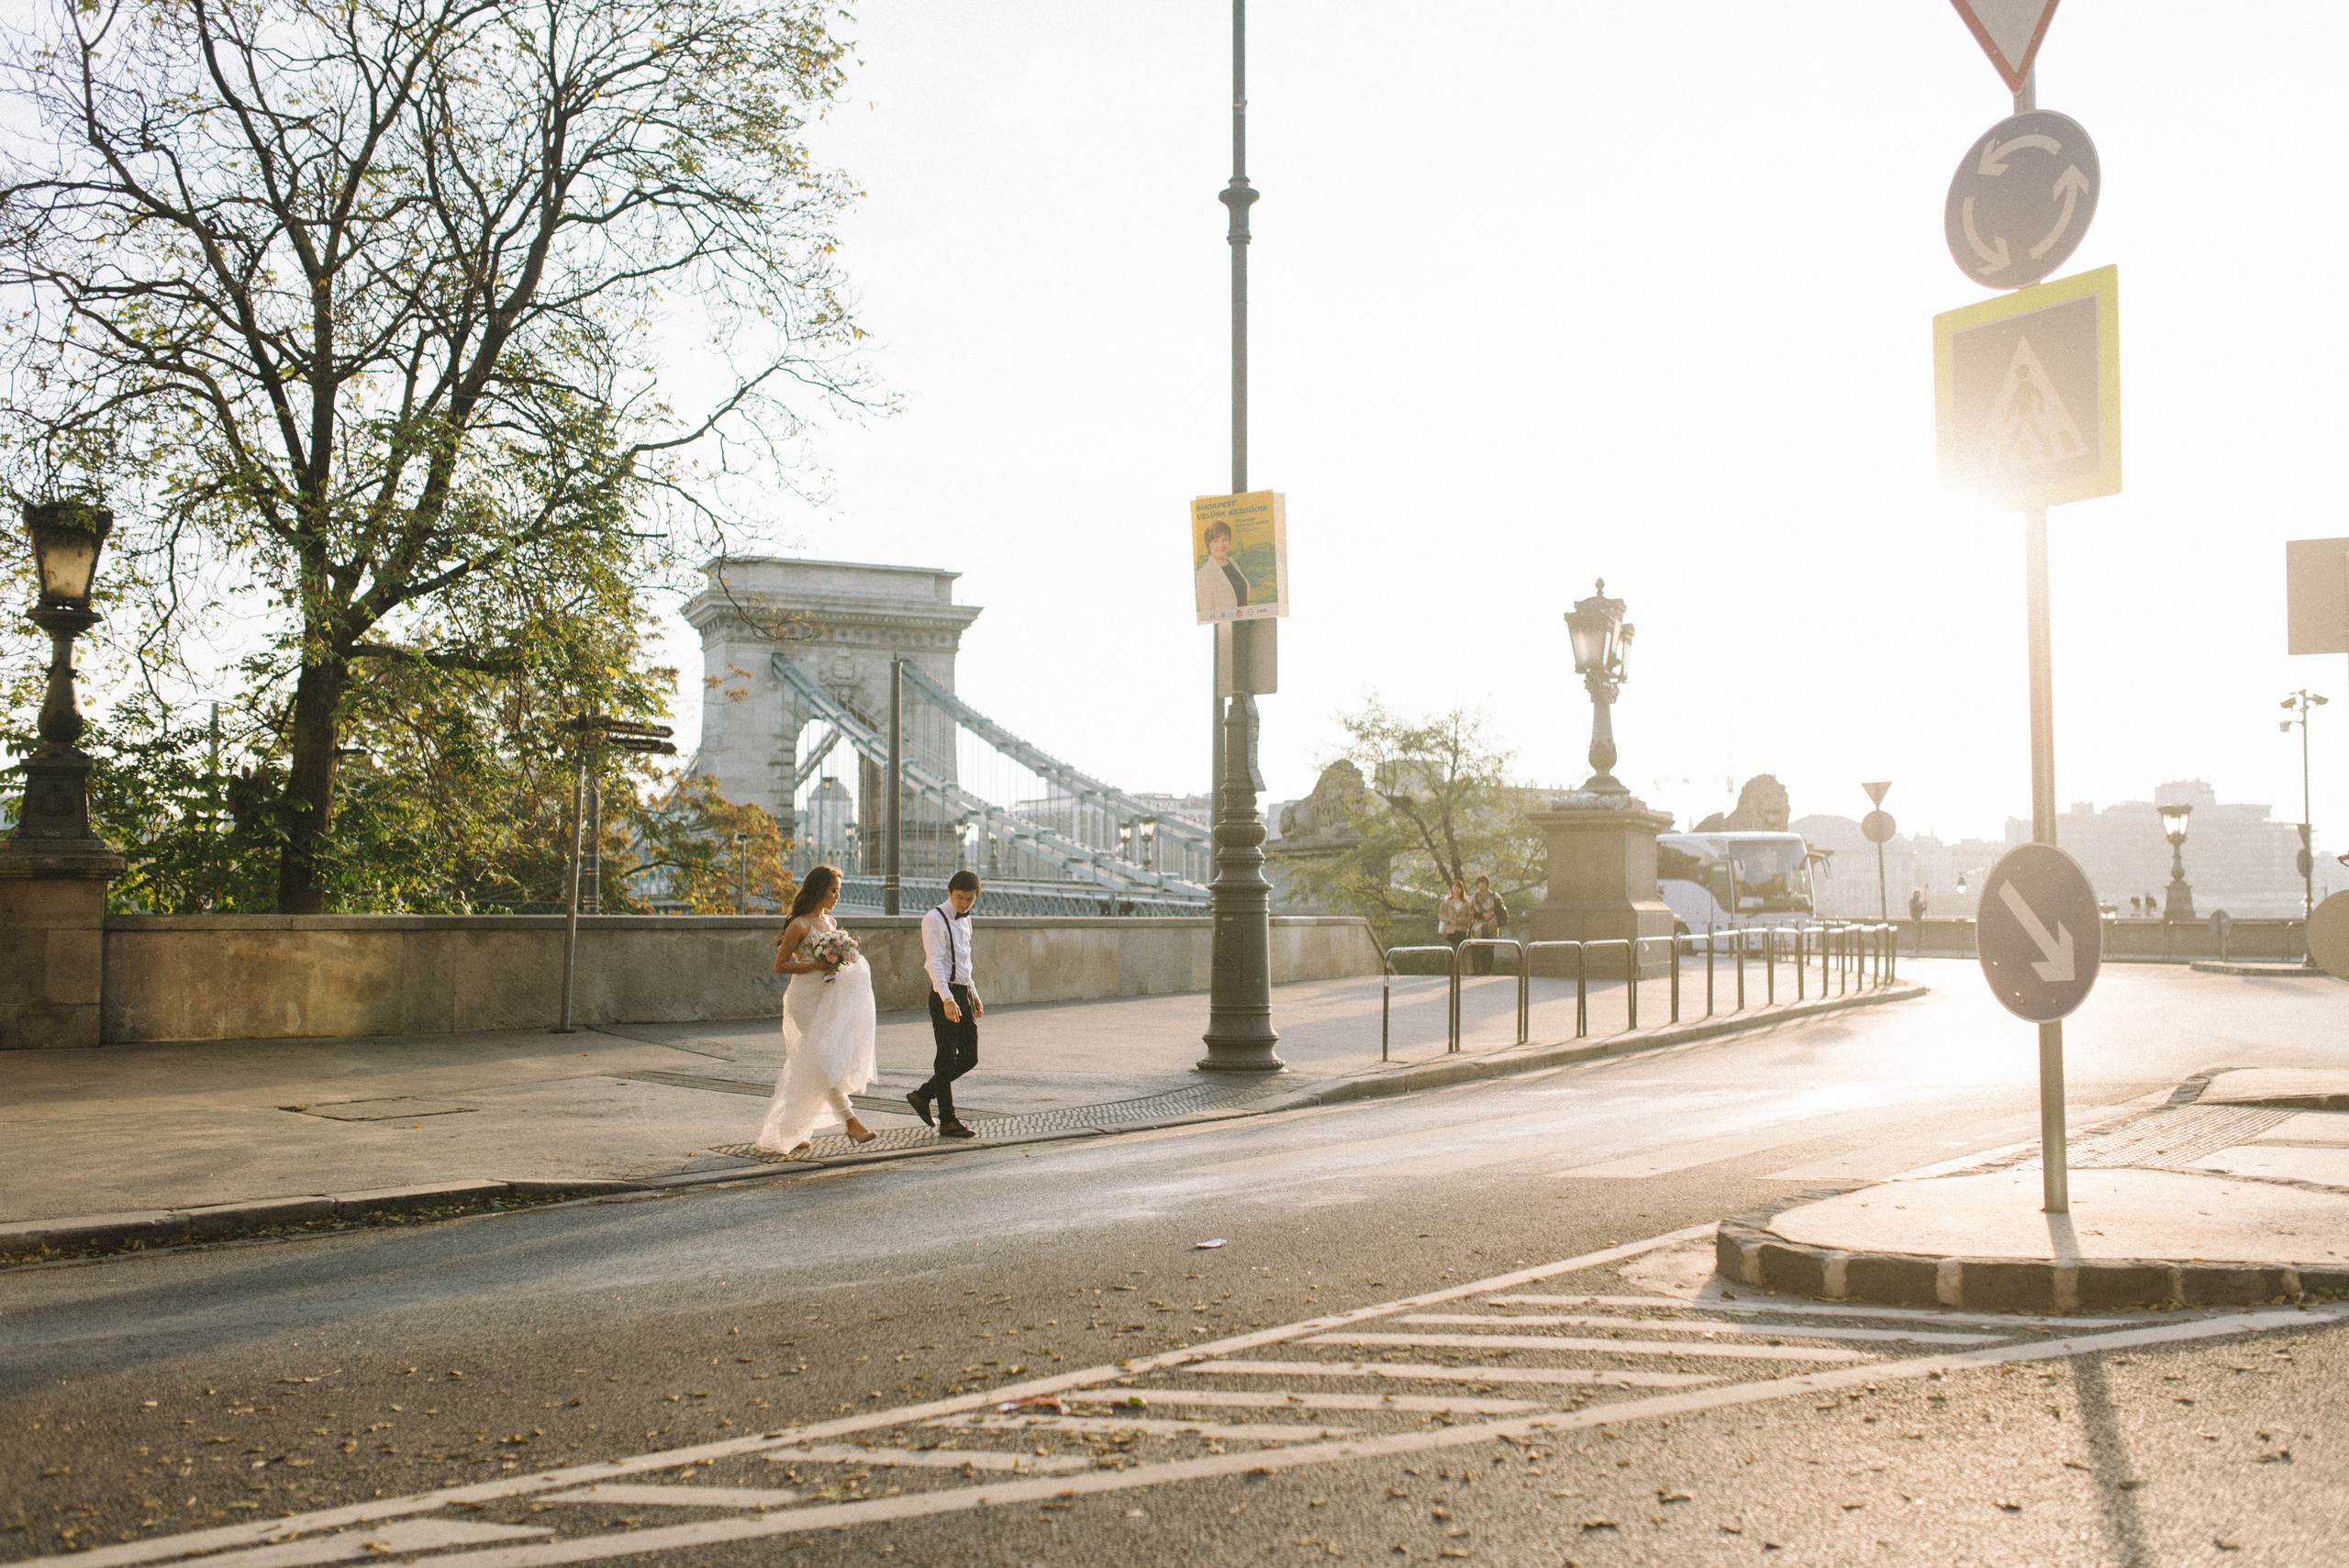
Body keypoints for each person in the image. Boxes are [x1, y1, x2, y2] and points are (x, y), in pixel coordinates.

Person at [756, 864, 879, 1158]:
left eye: (839, 891)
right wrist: (817, 965)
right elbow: (780, 965)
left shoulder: (831, 923)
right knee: (823, 1061)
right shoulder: (799, 925)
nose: (837, 896)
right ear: (818, 889)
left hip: (827, 999)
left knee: (811, 1065)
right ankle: (852, 1123)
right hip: (804, 999)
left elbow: (836, 964)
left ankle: (792, 1129)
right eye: (833, 890)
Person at [908, 869, 984, 1140]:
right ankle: (948, 1120)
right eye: (960, 898)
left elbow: (965, 963)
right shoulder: (933, 919)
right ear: (949, 892)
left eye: (970, 900)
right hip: (945, 994)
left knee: (969, 1057)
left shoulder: (966, 921)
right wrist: (947, 999)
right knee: (945, 1055)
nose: (964, 904)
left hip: (962, 991)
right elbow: (934, 962)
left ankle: (923, 1095)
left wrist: (973, 993)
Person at [1195, 520, 1251, 616]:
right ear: (1209, 545)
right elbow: (1207, 613)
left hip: (1245, 621)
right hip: (1225, 628)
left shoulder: (1232, 562)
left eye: (1224, 539)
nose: (1221, 545)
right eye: (1215, 541)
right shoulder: (1204, 573)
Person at [1466, 874, 1508, 975]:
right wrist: (1483, 915)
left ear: (1487, 884)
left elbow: (1500, 910)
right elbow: (1471, 913)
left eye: (1483, 883)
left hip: (1492, 926)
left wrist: (1492, 914)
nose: (1482, 885)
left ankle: (1487, 971)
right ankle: (1478, 972)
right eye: (1480, 883)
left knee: (1489, 950)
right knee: (1479, 950)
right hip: (1478, 927)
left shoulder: (1494, 896)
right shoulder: (1474, 898)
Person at [1435, 880, 1472, 968]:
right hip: (1450, 931)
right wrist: (1449, 921)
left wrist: (1459, 920)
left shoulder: (1467, 903)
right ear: (1452, 888)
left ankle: (1463, 975)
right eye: (1455, 887)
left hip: (1462, 931)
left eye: (1459, 887)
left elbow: (1470, 918)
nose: (1457, 889)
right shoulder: (1446, 902)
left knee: (1463, 955)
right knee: (1450, 954)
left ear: (1462, 889)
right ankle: (1450, 974)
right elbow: (1440, 914)